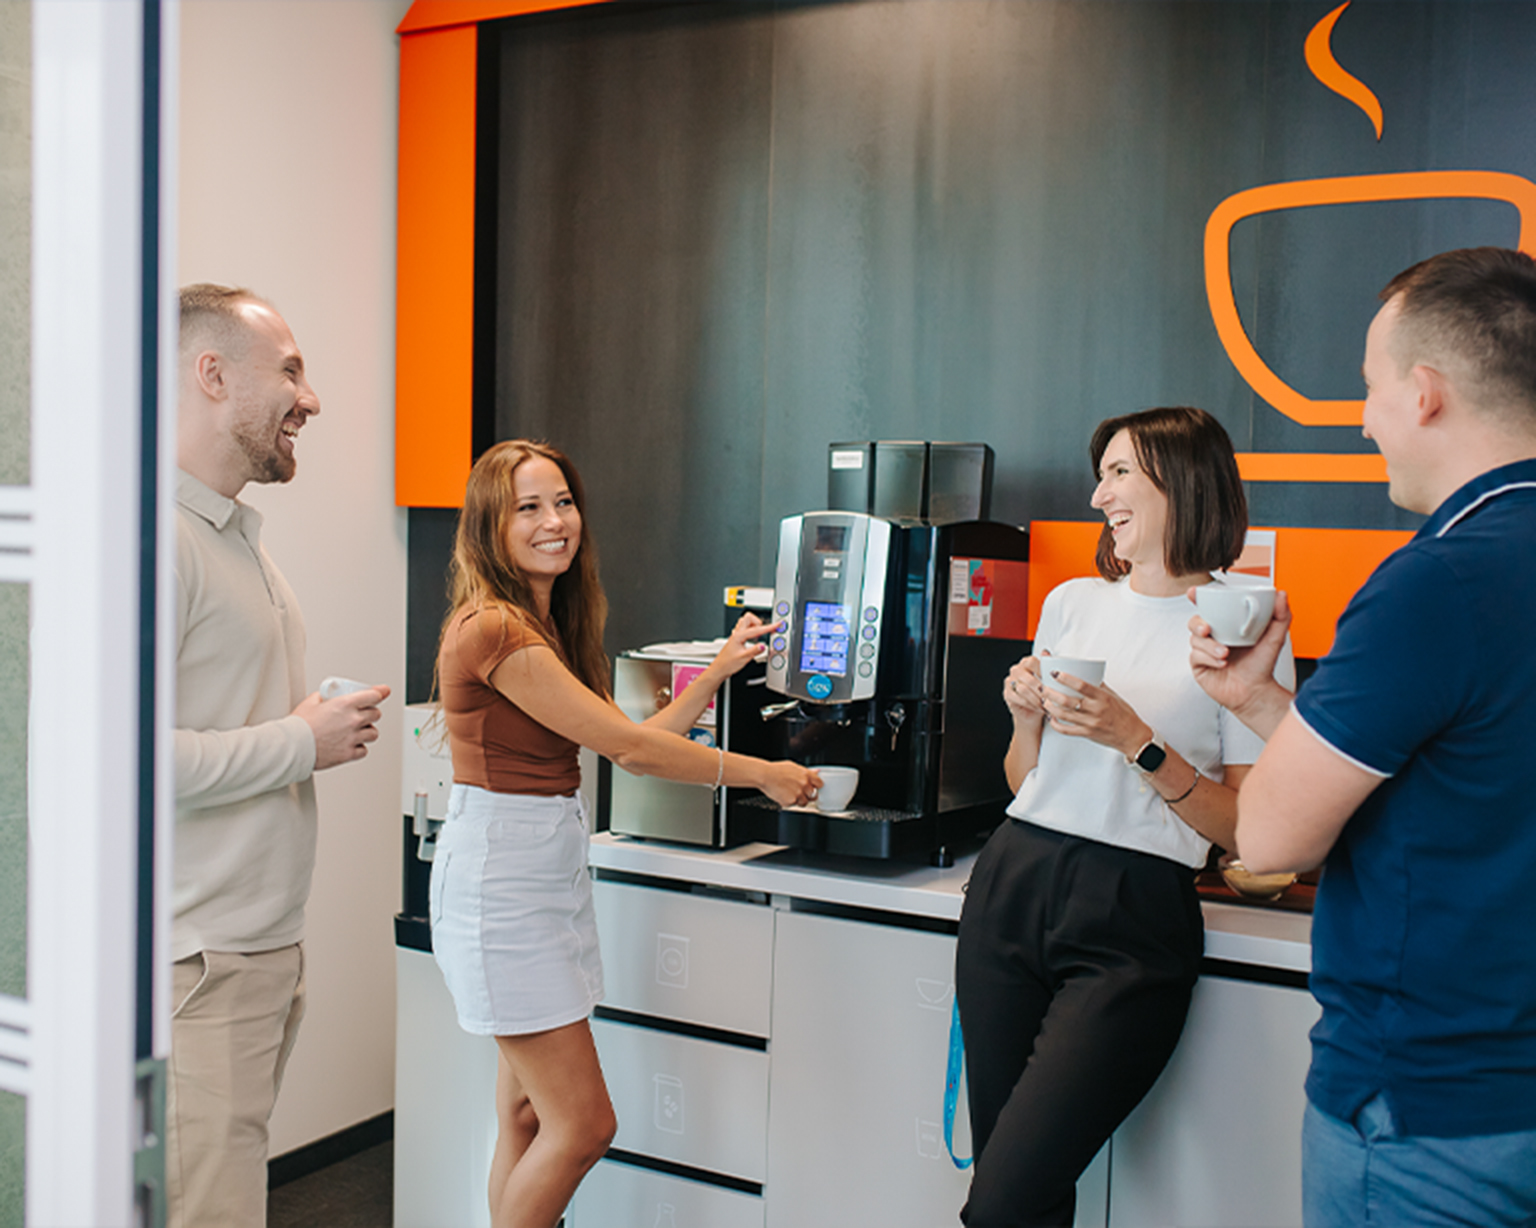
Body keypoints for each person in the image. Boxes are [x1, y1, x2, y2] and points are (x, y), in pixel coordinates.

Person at [1190, 247, 1536, 1227]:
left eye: (1369, 388)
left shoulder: (1439, 580)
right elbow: (1471, 770)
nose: (1362, 416)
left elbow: (1270, 839)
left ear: (1425, 393)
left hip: (1439, 1115)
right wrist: (1267, 705)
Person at [429, 438, 820, 1228]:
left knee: (530, 1118)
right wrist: (763, 773)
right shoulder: (495, 628)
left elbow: (628, 741)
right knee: (584, 1126)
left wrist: (714, 673)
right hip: (504, 879)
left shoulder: (543, 622)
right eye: (528, 508)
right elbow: (633, 749)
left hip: (539, 868)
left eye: (563, 502)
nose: (554, 522)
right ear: (489, 526)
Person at [954, 406, 1294, 1227]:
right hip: (1012, 883)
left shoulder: (1241, 624)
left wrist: (1138, 742)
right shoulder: (1073, 602)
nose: (1098, 492)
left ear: (1180, 481)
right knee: (1022, 1196)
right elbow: (1025, 782)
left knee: (1002, 1204)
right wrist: (1025, 717)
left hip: (1132, 914)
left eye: (1118, 473)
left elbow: (1248, 830)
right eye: (1100, 472)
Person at [170, 284, 391, 1228]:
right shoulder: (158, 542)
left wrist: (301, 730)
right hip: (198, 959)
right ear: (212, 375)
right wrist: (302, 741)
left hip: (252, 950)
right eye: (291, 370)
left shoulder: (236, 542)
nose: (312, 397)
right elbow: (119, 767)